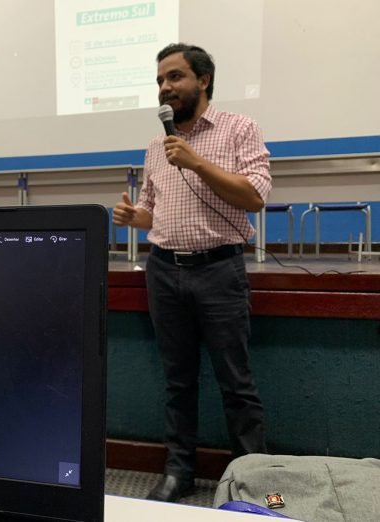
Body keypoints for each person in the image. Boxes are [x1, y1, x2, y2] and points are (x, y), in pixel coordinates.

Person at [113, 43, 271, 503]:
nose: (165, 87)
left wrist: (197, 161)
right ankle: (178, 473)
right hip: (164, 270)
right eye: (160, 80)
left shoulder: (240, 129)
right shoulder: (156, 146)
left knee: (236, 383)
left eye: (175, 77)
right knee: (177, 381)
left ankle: (252, 483)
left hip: (219, 270)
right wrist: (136, 217)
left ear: (203, 80)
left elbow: (255, 196)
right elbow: (154, 210)